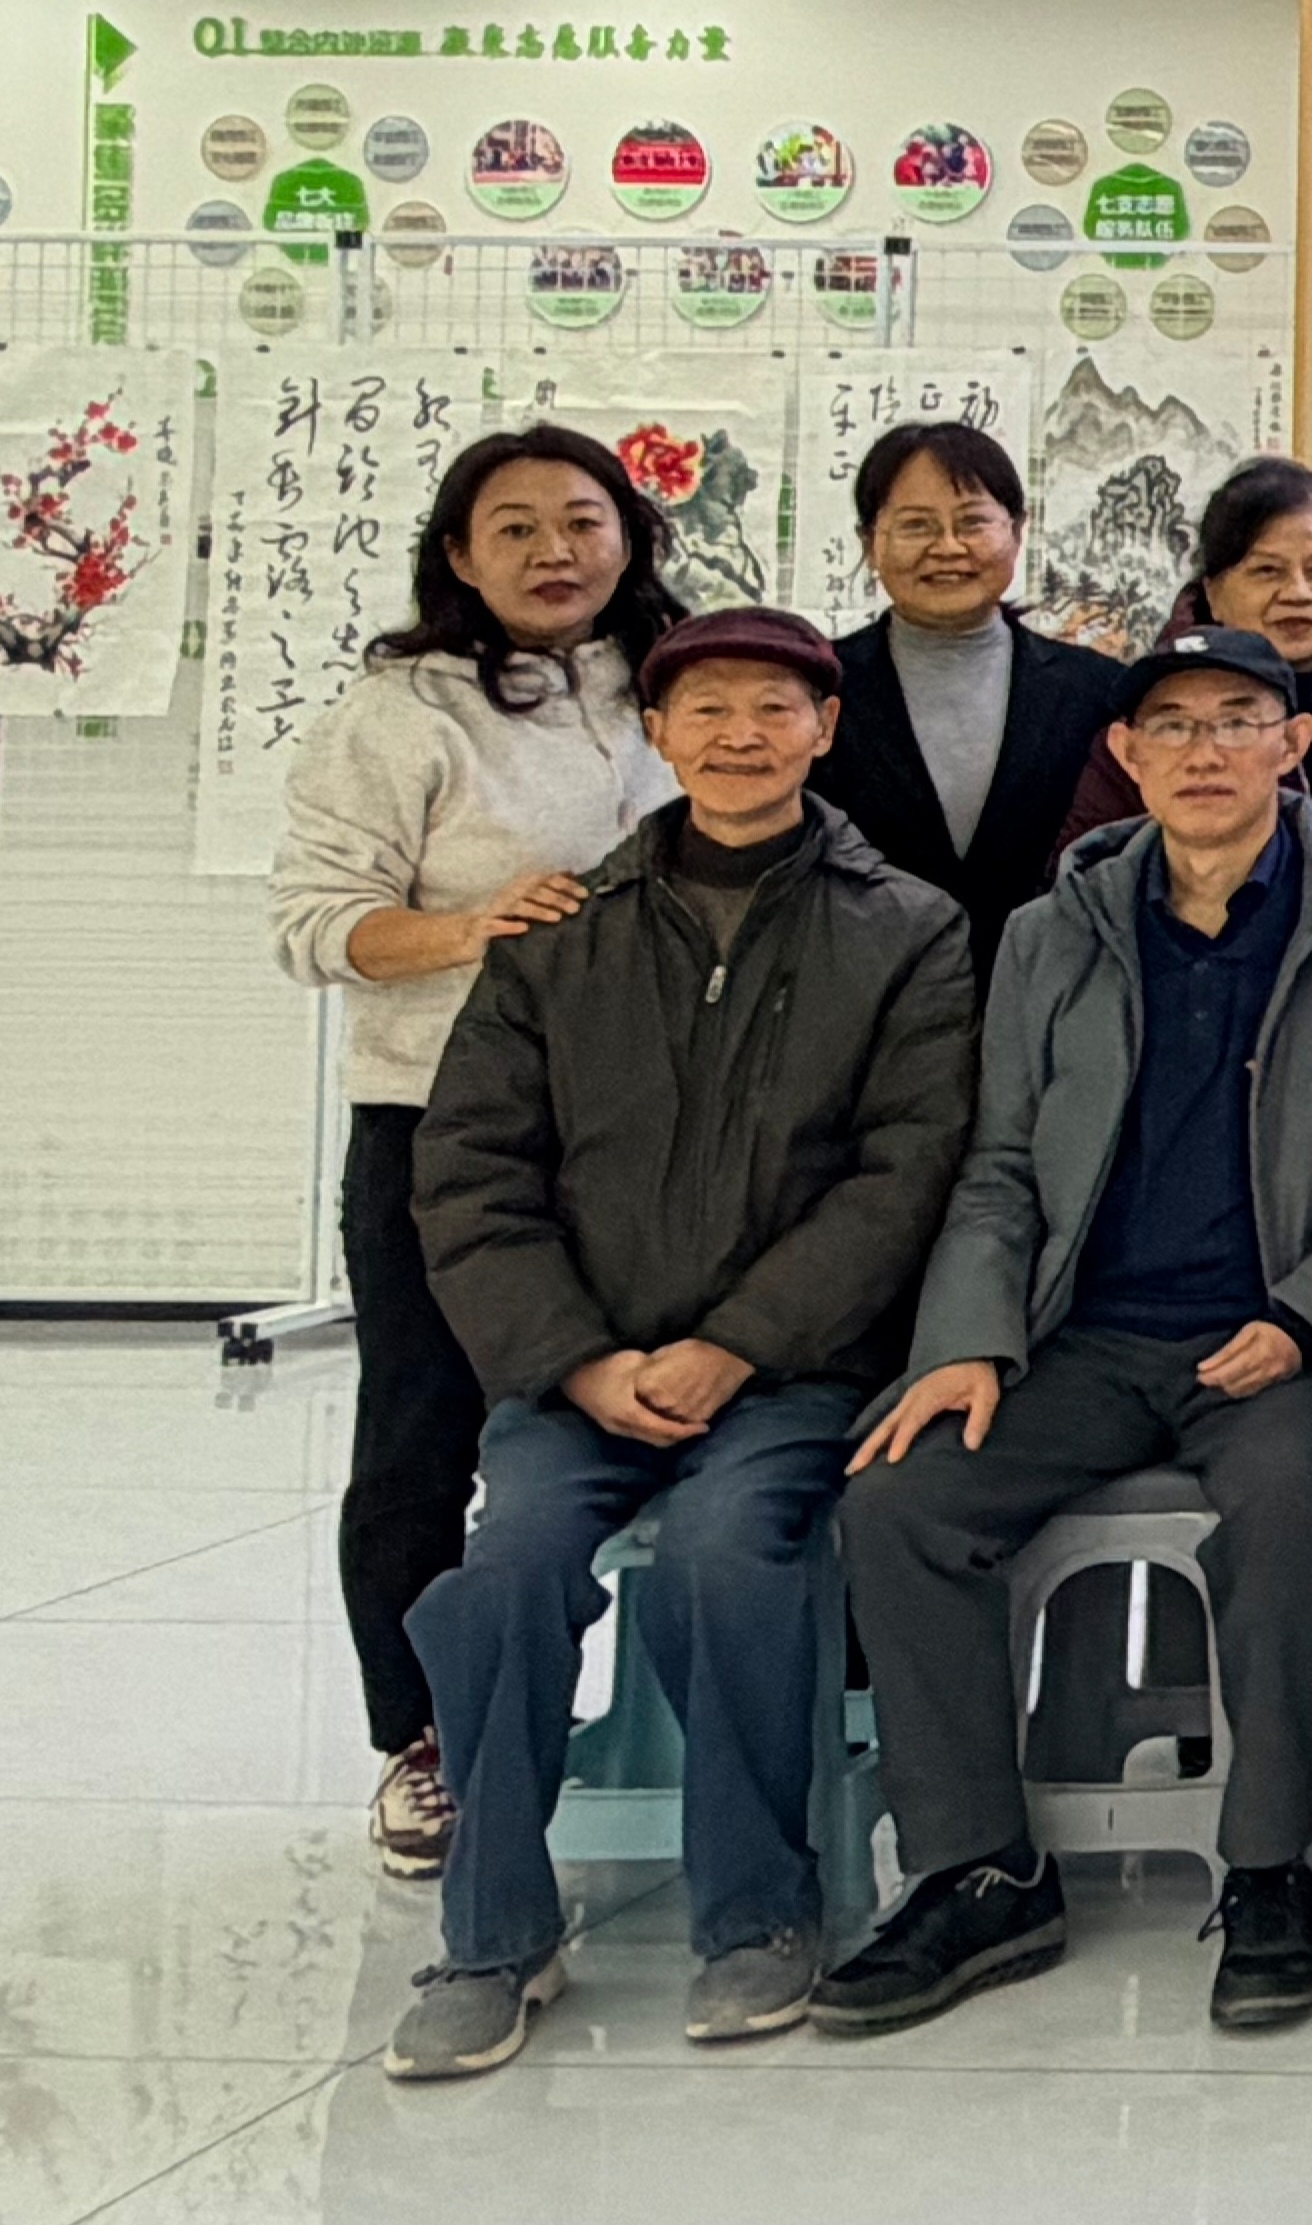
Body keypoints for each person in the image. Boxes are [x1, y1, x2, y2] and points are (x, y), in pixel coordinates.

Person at [809, 626, 1312, 2039]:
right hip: (1083, 1337)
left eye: (1237, 719)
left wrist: (1308, 1317)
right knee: (901, 1498)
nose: (1203, 750)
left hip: (1285, 1340)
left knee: (1289, 1501)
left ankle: (1267, 1867)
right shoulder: (1052, 933)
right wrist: (966, 1342)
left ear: (1295, 743)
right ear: (1124, 753)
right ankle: (979, 1868)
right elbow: (998, 1166)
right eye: (1170, 725)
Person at [380, 609, 978, 2078]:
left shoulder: (907, 927)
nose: (739, 735)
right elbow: (469, 1171)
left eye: (774, 708)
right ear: (658, 735)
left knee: (727, 1558)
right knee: (504, 1573)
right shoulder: (560, 932)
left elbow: (904, 1173)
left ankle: (758, 1915)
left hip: (790, 1374)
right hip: (576, 1373)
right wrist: (578, 1360)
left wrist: (739, 1342)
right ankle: (493, 1936)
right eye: (706, 709)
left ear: (824, 729)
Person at [266, 423, 691, 1883]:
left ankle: (663, 1716)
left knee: (638, 1426)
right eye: (513, 528)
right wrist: (471, 928)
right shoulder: (400, 713)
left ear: (629, 536)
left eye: (582, 520)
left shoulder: (676, 684)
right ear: (457, 554)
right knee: (423, 1432)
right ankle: (423, 1737)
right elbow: (313, 924)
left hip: (648, 1136)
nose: (554, 551)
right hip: (440, 1127)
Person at [811, 422, 1129, 953]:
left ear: (1017, 533)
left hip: (1050, 979)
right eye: (916, 525)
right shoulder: (818, 688)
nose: (948, 547)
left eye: (973, 522)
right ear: (869, 542)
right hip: (863, 984)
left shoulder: (1098, 692)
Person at [1061, 458, 1312, 853]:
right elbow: (1087, 876)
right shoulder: (1151, 731)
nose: (1298, 593)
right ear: (1212, 592)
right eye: (1267, 571)